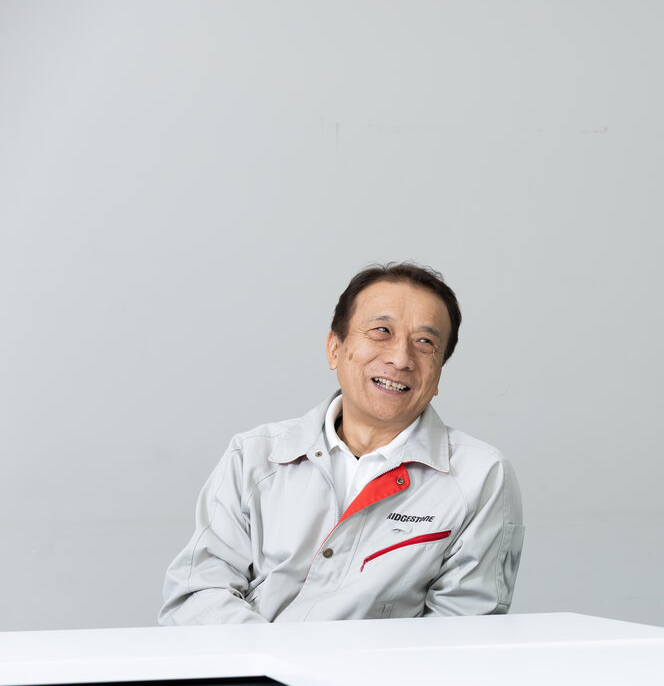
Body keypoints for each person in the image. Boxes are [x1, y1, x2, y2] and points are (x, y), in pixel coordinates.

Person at [160, 263, 524, 624]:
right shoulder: (254, 456)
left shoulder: (480, 478)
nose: (401, 358)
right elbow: (197, 594)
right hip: (250, 662)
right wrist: (272, 655)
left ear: (439, 370)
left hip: (380, 668)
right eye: (381, 331)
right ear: (335, 348)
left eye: (425, 342)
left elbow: (461, 634)